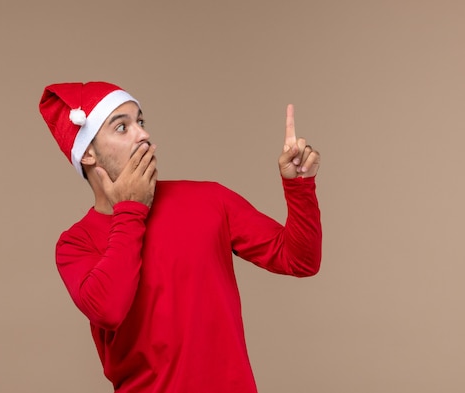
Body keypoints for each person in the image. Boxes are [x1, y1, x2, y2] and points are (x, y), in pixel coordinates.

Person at [39, 81, 322, 393]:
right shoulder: (75, 244)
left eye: (141, 122)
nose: (143, 135)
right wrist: (131, 209)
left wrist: (299, 187)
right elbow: (108, 309)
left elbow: (300, 260)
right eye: (122, 127)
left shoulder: (211, 200)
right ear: (88, 153)